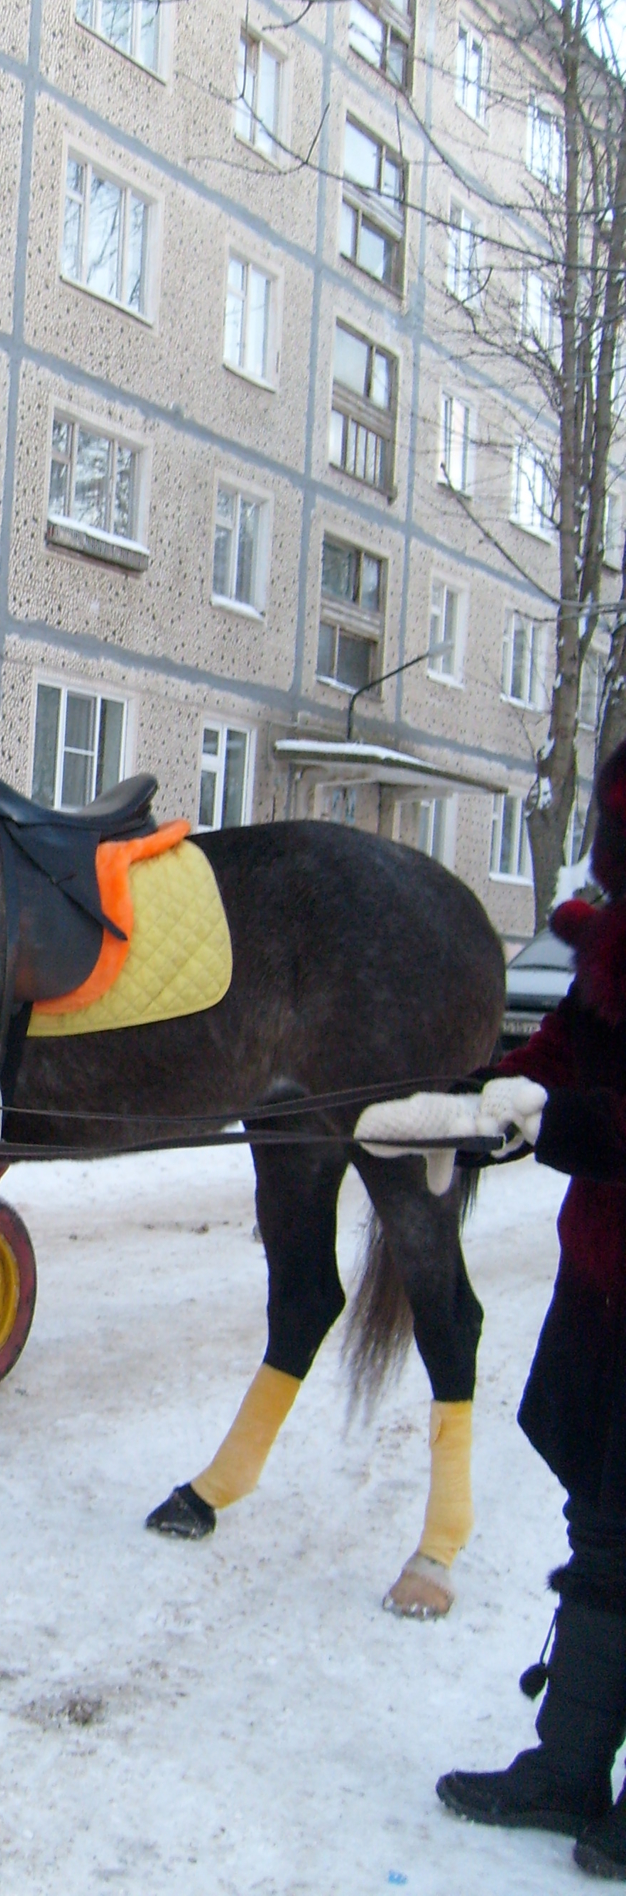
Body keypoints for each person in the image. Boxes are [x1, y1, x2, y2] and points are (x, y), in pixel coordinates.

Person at [361, 741, 626, 1879]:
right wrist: (482, 1090)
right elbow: (572, 1048)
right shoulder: (616, 946)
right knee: (605, 1534)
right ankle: (568, 1766)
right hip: (606, 1280)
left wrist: (554, 1124)